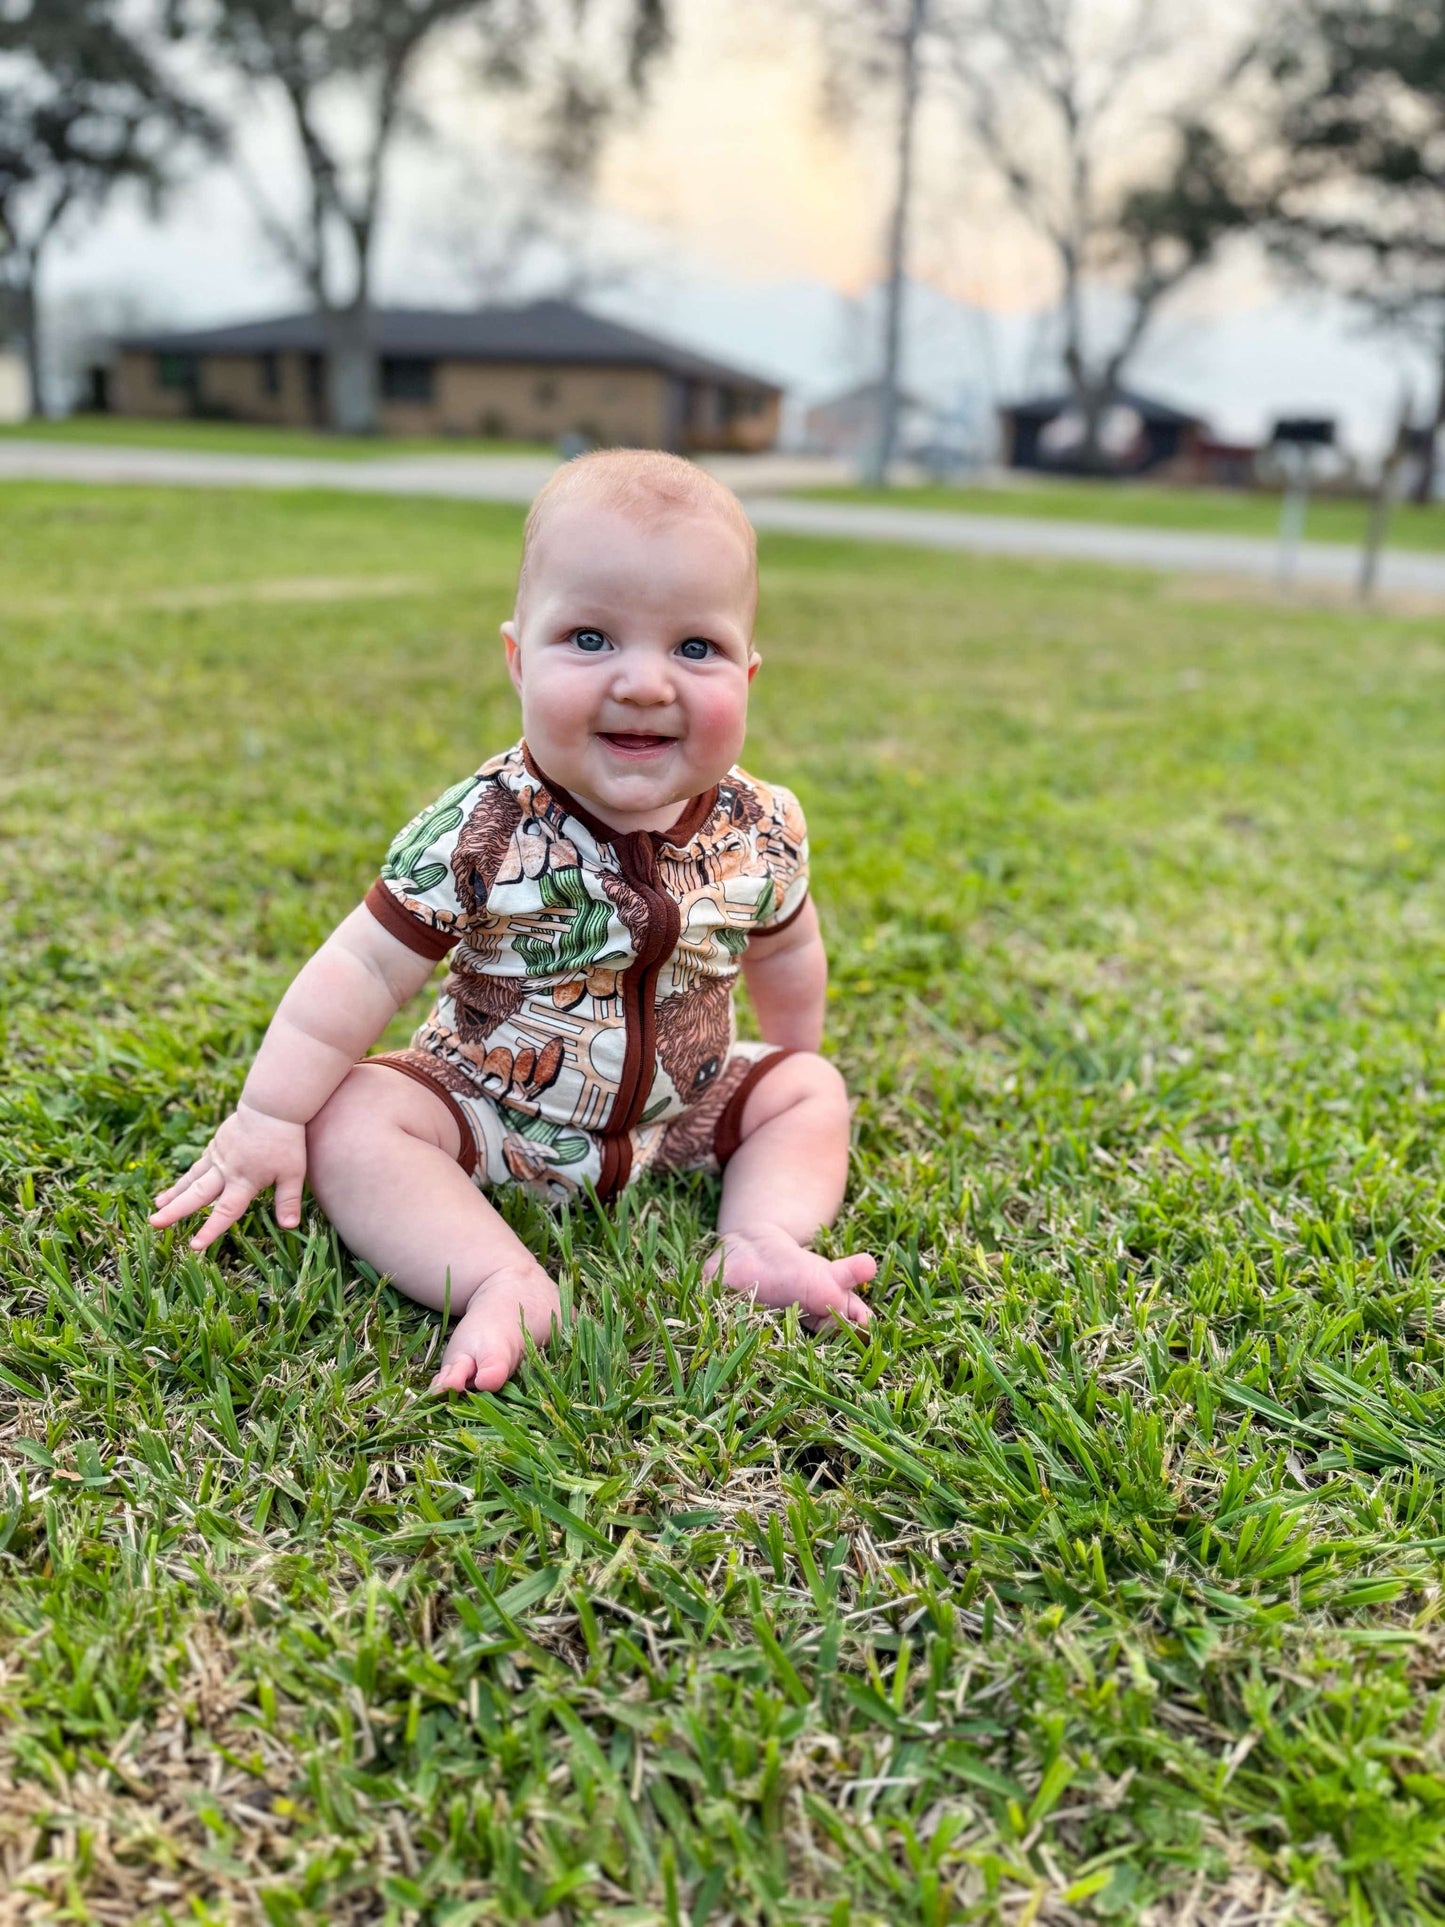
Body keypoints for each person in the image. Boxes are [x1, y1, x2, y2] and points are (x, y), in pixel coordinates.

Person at [149, 449, 876, 1393]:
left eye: (694, 648)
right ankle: (502, 1275)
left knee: (810, 1089)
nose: (646, 683)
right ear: (516, 658)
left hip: (673, 1112)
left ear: (748, 670)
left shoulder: (761, 825)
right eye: (589, 638)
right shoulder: (484, 825)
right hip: (490, 1108)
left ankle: (759, 1237)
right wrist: (268, 1115)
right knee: (355, 1120)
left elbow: (790, 950)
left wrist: (782, 1062)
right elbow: (364, 970)